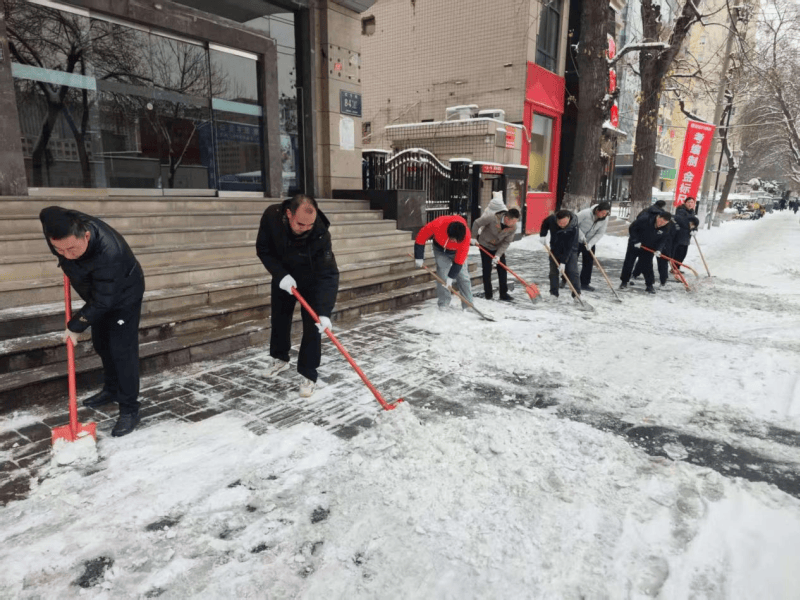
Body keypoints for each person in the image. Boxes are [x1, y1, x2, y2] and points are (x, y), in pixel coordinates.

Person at [39, 206, 145, 437]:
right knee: (101, 344)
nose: (66, 254)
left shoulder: (110, 253)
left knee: (121, 351)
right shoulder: (58, 228)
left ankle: (129, 409)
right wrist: (64, 254)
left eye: (72, 249)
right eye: (59, 249)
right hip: (96, 295)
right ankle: (111, 389)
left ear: (86, 236)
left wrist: (75, 326)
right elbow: (47, 212)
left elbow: (105, 300)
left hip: (123, 296)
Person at [256, 194, 339, 398]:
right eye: (300, 224)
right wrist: (280, 275)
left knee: (313, 326)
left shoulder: (320, 233)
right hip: (284, 276)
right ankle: (280, 358)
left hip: (310, 279)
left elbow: (329, 273)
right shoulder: (271, 217)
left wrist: (325, 312)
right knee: (280, 317)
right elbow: (263, 249)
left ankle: (308, 374)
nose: (305, 228)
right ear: (288, 214)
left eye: (309, 224)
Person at [414, 214, 473, 311]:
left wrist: (452, 277)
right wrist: (419, 257)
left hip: (456, 252)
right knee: (442, 275)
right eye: (453, 239)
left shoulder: (466, 236)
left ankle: (468, 304)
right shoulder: (438, 224)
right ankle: (444, 303)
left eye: (456, 241)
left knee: (463, 276)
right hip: (440, 250)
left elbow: (459, 260)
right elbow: (421, 236)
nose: (453, 242)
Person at [471, 206, 520, 301]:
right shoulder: (492, 218)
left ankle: (503, 294)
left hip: (498, 247)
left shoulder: (513, 227)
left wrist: (498, 255)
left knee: (502, 269)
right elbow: (477, 223)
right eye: (513, 221)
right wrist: (473, 237)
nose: (515, 224)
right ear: (506, 218)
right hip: (485, 245)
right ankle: (488, 294)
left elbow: (506, 242)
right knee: (487, 269)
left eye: (516, 221)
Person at [619, 210, 672, 294]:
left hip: (649, 247)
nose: (661, 223)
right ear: (658, 217)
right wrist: (635, 240)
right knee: (629, 262)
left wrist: (659, 249)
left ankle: (649, 285)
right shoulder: (645, 219)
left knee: (647, 265)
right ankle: (624, 282)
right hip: (635, 244)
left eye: (664, 222)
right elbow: (632, 228)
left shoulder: (667, 227)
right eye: (661, 220)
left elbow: (663, 240)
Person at [539, 209, 581, 299]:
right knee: (553, 272)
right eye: (560, 223)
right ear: (556, 220)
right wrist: (543, 234)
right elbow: (545, 223)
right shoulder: (552, 219)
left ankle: (576, 295)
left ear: (569, 219)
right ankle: (554, 294)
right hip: (555, 248)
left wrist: (563, 262)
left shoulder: (573, 227)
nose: (562, 225)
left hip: (570, 250)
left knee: (572, 272)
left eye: (564, 223)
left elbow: (568, 246)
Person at [575, 201, 611, 291]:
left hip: (589, 241)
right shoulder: (585, 213)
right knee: (572, 260)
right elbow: (573, 224)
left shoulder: (605, 219)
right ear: (597, 210)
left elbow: (600, 233)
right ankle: (565, 279)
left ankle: (585, 283)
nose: (604, 215)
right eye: (603, 213)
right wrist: (581, 235)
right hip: (576, 240)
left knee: (588, 262)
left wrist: (591, 243)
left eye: (606, 214)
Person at [672, 196, 700, 265]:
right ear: (685, 203)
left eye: (692, 202)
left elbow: (692, 223)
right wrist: (694, 220)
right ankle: (675, 268)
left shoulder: (691, 211)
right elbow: (684, 221)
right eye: (689, 202)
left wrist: (694, 229)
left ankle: (677, 267)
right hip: (679, 235)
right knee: (678, 253)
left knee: (683, 253)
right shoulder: (680, 210)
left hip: (687, 236)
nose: (690, 204)